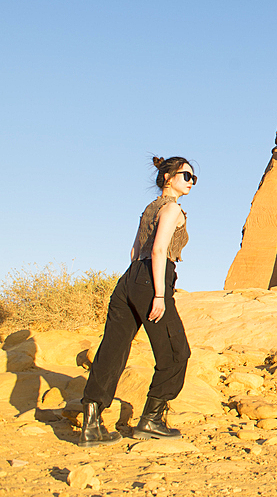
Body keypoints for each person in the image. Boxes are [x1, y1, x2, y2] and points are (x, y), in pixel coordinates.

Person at [78, 156, 195, 447]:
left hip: (130, 279)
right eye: (186, 176)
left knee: (112, 350)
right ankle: (151, 420)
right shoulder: (172, 209)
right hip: (152, 279)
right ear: (168, 177)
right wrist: (158, 294)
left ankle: (91, 424)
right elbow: (158, 251)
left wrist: (136, 283)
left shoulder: (149, 208)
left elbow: (134, 252)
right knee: (176, 352)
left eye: (193, 178)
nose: (191, 182)